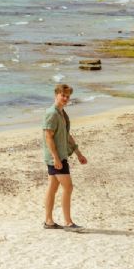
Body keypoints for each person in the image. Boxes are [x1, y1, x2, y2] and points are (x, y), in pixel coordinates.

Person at [42, 84, 87, 231]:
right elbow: (48, 137)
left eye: (68, 96)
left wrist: (78, 153)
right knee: (68, 187)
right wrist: (55, 158)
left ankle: (48, 221)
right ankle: (68, 222)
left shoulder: (62, 113)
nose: (66, 99)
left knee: (52, 188)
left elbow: (66, 135)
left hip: (60, 155)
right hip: (56, 157)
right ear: (56, 95)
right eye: (63, 95)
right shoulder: (52, 113)